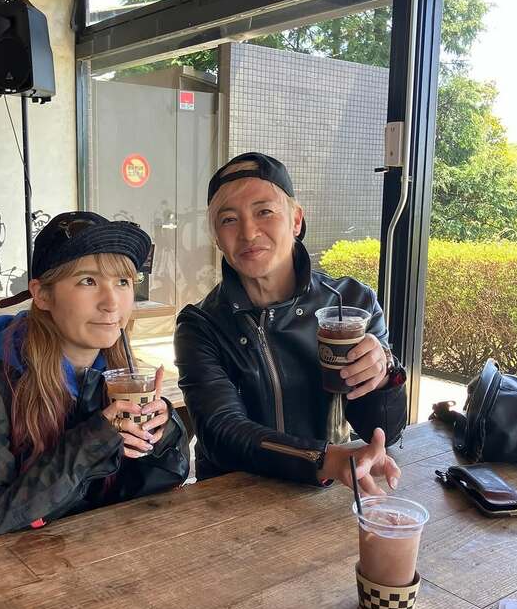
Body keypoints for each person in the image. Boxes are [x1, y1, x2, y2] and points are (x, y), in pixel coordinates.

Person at [0, 211, 189, 557]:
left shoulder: (112, 373)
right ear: (42, 295)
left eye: (123, 282)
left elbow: (150, 488)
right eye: (88, 281)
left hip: (75, 554)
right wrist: (93, 441)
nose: (112, 302)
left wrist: (160, 435)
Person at [174, 153, 407, 495]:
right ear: (216, 238)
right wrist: (323, 458)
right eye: (229, 219)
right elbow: (221, 430)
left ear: (296, 220)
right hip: (232, 500)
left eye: (264, 212)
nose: (248, 232)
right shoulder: (201, 325)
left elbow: (385, 430)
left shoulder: (351, 303)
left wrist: (384, 373)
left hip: (328, 493)